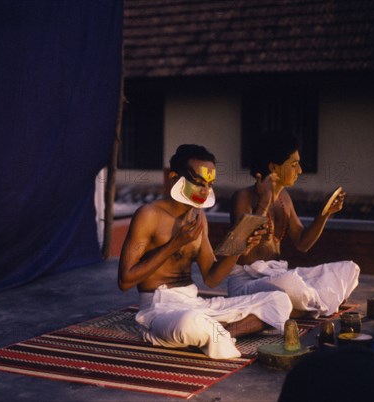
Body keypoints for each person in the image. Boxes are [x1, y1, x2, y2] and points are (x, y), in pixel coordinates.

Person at [118, 144, 292, 359]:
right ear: (174, 177)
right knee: (189, 322)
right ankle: (211, 332)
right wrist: (175, 244)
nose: (205, 190)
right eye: (199, 183)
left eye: (209, 184)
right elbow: (125, 281)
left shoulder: (199, 217)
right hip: (159, 307)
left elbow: (212, 277)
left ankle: (222, 333)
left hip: (195, 303)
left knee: (279, 300)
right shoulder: (149, 214)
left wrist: (241, 248)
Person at [227, 132, 360, 318]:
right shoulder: (243, 197)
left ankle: (301, 307)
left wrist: (324, 214)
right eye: (294, 165)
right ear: (273, 167)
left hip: (276, 278)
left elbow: (302, 243)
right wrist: (264, 202)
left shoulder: (284, 199)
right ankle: (309, 306)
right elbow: (237, 254)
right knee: (289, 282)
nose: (299, 171)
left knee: (347, 269)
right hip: (246, 283)